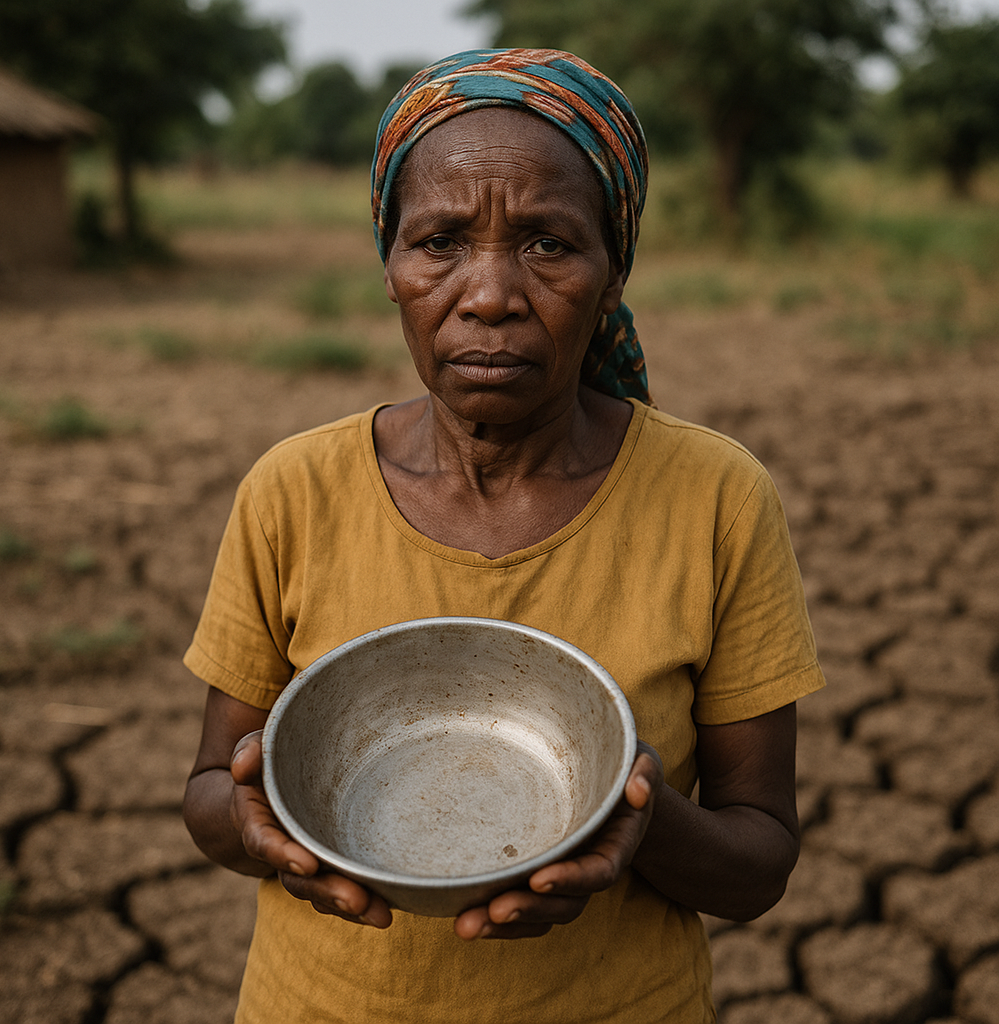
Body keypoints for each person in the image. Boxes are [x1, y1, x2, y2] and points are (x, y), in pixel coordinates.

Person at [182, 48, 824, 1024]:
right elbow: (207, 794)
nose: (488, 293)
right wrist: (257, 820)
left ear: (613, 274)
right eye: (439, 241)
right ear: (389, 266)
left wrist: (639, 818)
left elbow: (756, 863)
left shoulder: (714, 498)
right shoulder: (293, 490)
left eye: (547, 244)